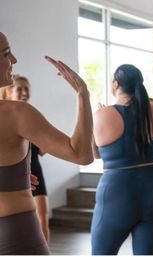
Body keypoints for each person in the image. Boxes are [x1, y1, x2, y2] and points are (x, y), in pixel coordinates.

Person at [0, 32, 93, 254]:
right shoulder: (16, 114)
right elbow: (81, 154)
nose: (14, 60)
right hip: (15, 232)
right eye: (6, 53)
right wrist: (82, 94)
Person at [91, 64, 153, 255]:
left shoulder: (103, 114)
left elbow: (94, 154)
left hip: (118, 190)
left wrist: (101, 116)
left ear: (115, 84)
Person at [2, 75, 50, 242]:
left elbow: (42, 150)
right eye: (19, 88)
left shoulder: (35, 116)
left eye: (27, 88)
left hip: (34, 170)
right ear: (9, 92)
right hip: (12, 178)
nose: (24, 92)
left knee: (42, 218)